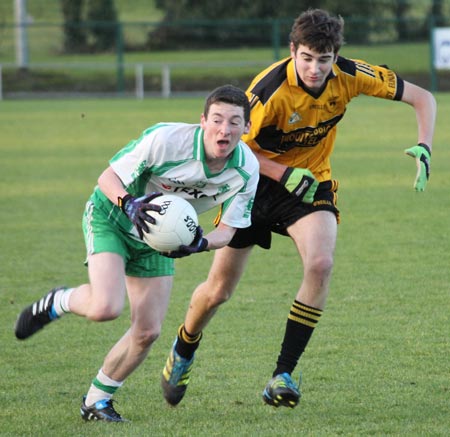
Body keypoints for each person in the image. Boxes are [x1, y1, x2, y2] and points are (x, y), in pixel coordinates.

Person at [160, 8, 436, 409]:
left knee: (321, 263)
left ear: (335, 56)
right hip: (251, 183)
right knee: (219, 291)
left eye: (323, 60)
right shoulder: (269, 90)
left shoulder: (350, 75)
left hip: (310, 182)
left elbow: (423, 97)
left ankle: (282, 374)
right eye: (306, 58)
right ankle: (184, 347)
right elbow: (233, 144)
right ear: (293, 51)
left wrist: (425, 145)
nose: (314, 68)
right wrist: (279, 170)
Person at [14, 84, 259, 422]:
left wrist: (200, 244)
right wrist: (129, 204)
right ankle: (60, 301)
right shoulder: (167, 140)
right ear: (202, 121)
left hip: (158, 239)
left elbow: (229, 231)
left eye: (234, 122)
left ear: (247, 127)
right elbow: (107, 176)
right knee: (105, 307)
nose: (224, 129)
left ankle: (96, 402)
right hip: (112, 217)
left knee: (147, 332)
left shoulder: (246, 169)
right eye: (217, 119)